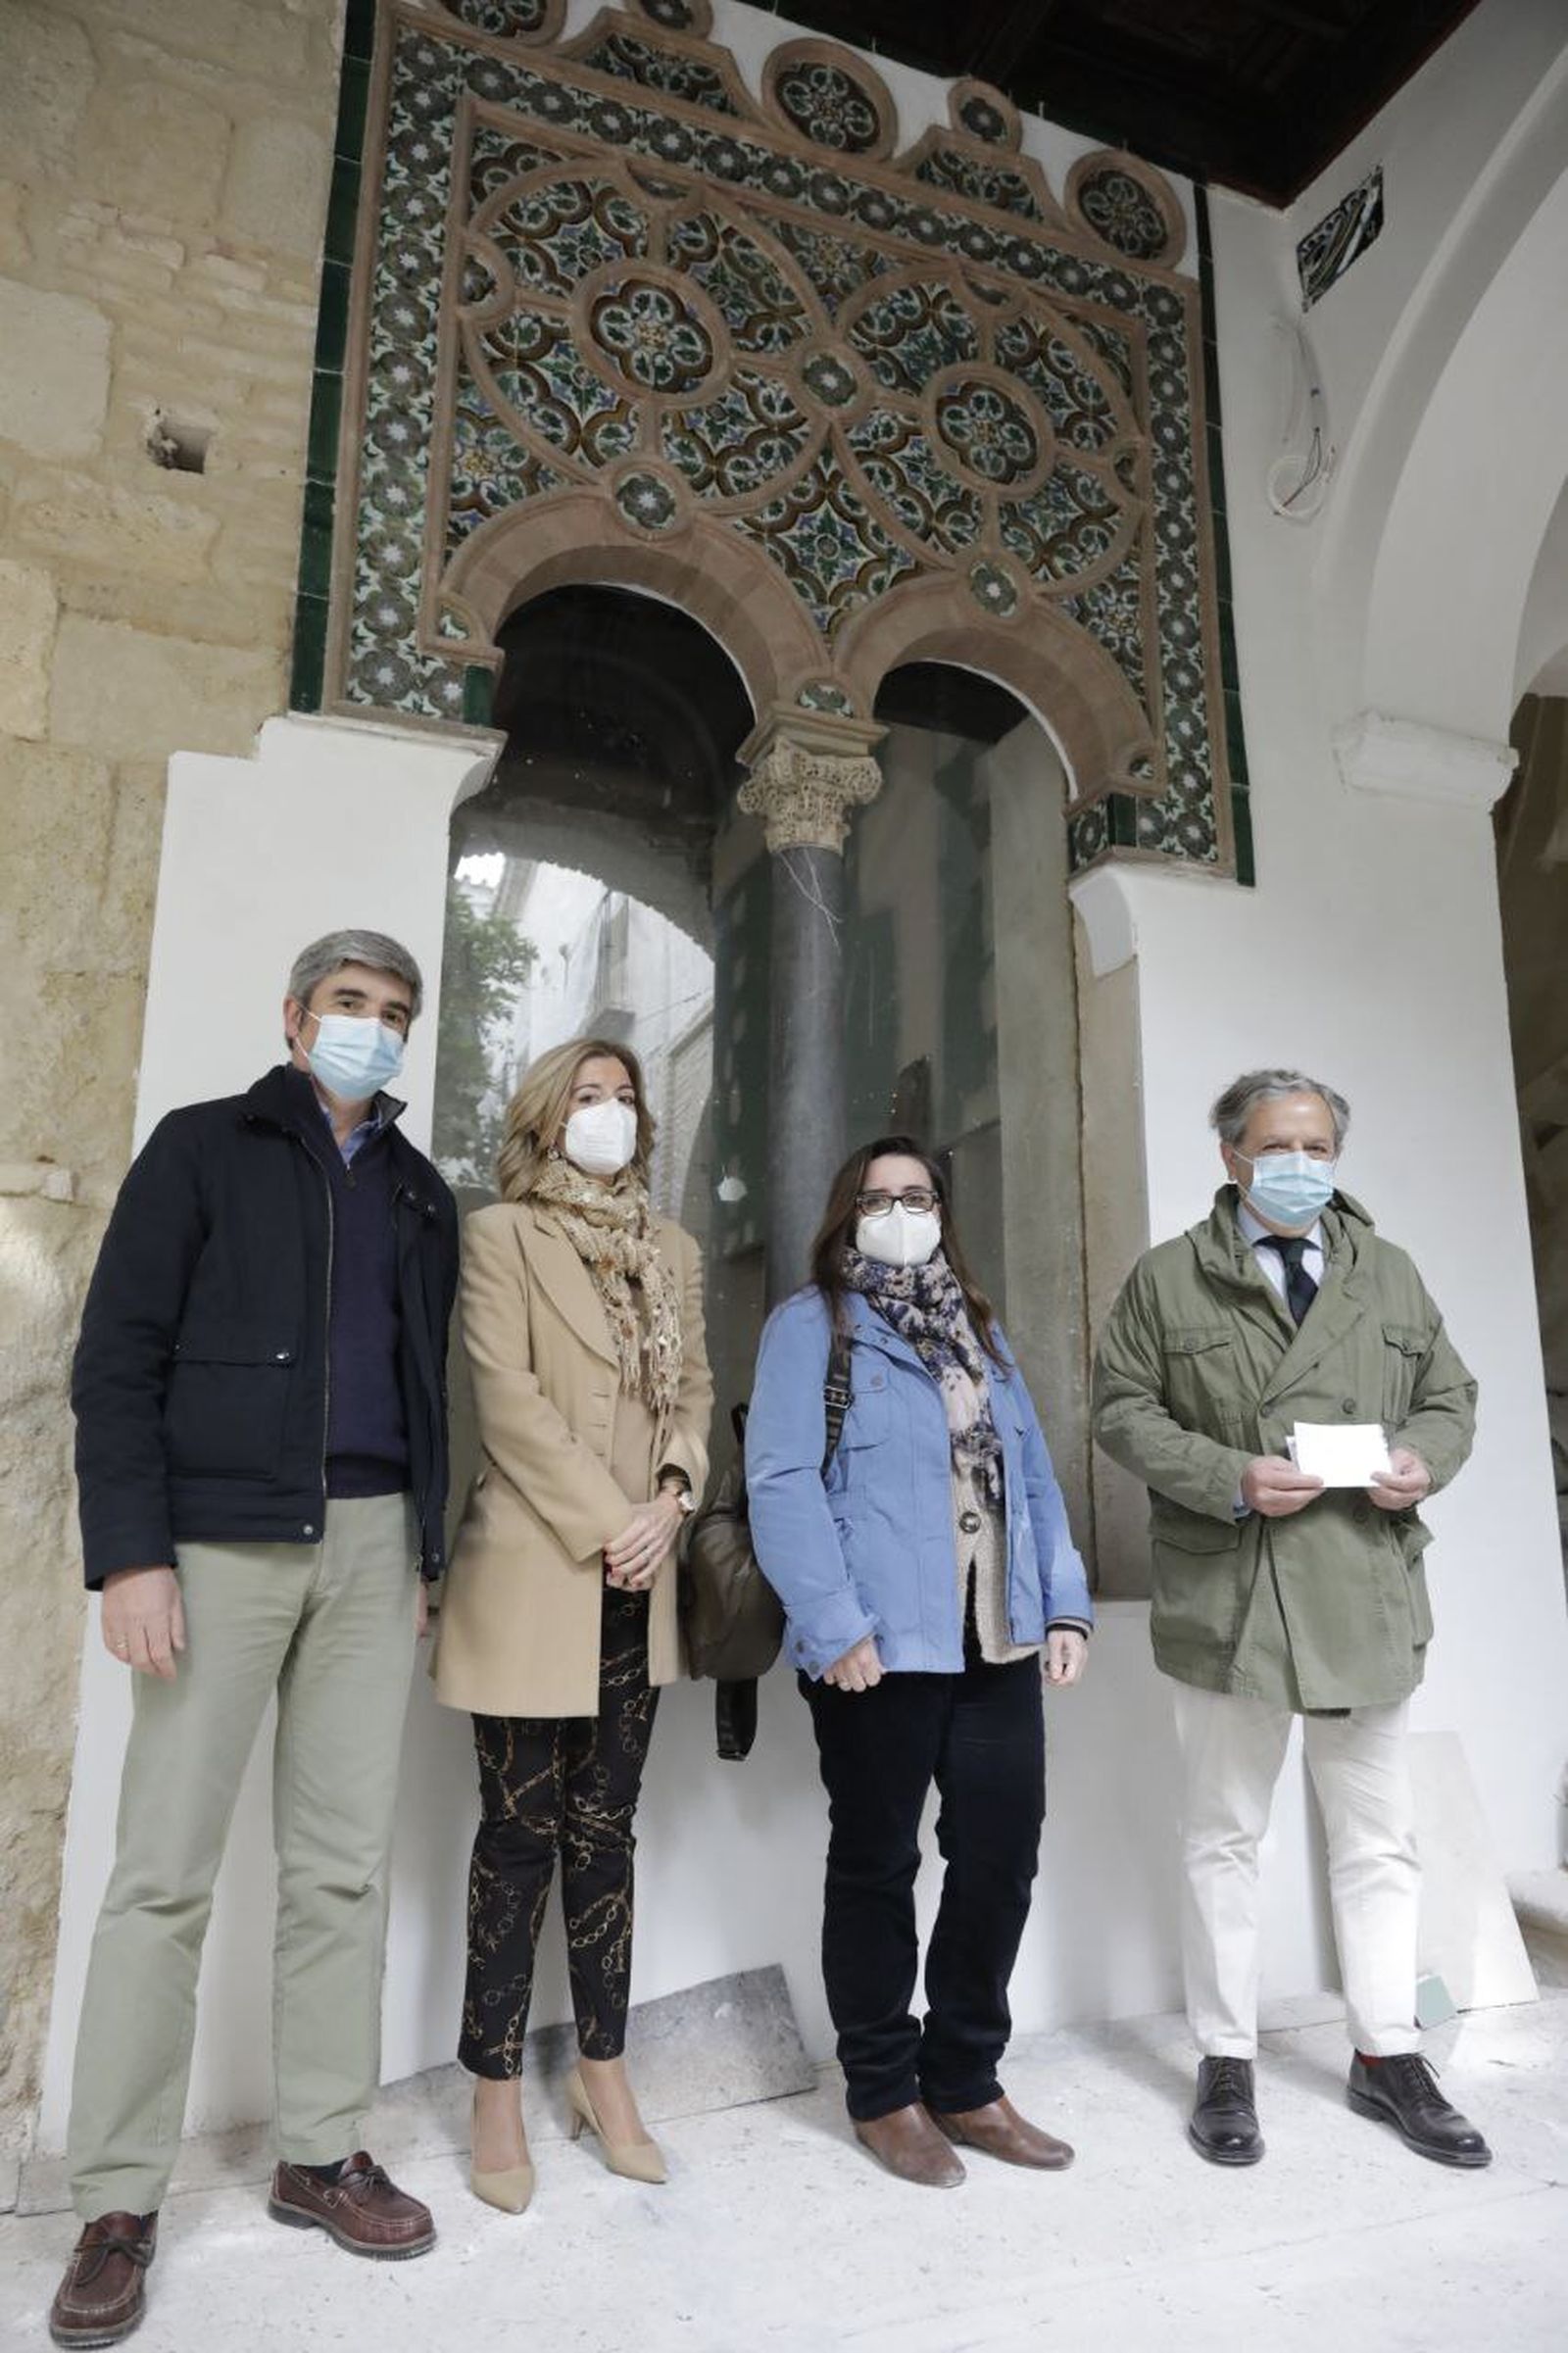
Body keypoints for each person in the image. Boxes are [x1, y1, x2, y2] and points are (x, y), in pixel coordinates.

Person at [50, 931, 460, 2350]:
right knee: (161, 1875)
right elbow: (116, 1357)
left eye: (394, 1013)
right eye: (350, 1005)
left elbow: (431, 1388)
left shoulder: (417, 1192)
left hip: (369, 1551)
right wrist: (131, 1552)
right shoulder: (202, 1148)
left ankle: (318, 2148)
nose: (372, 1028)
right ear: (295, 1017)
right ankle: (113, 2202)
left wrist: (426, 1551)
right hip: (216, 1546)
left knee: (338, 1868)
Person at [1092, 1068, 1491, 2172]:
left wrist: (1423, 1461)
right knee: (1223, 1838)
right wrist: (1225, 1472)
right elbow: (1118, 1409)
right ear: (1230, 1156)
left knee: (1377, 1842)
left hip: (1363, 1587)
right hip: (1234, 1595)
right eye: (1278, 1145)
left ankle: (1386, 2054)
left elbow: (1449, 1397)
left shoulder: (1387, 1272)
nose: (1301, 1165)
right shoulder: (1169, 1279)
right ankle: (1226, 2055)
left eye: (1318, 1146)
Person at [745, 1137, 1092, 2188]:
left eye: (918, 1195)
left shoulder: (979, 1330)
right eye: (879, 1196)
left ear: (943, 1209)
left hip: (995, 1636)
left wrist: (1064, 1602)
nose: (901, 1209)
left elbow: (1029, 1471)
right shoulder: (812, 1324)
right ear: (845, 1211)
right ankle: (884, 2092)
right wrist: (832, 1622)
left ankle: (967, 2077)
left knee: (998, 1857)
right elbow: (780, 1477)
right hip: (878, 1648)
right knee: (878, 1864)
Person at [432, 1037, 711, 2210]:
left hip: (638, 1583)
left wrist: (674, 1497)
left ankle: (604, 2071)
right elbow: (505, 1397)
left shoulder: (674, 1247)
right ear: (548, 1118)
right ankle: (495, 2086)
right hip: (533, 1572)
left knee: (608, 1834)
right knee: (516, 1834)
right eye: (587, 1097)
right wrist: (613, 1519)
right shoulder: (500, 1233)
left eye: (625, 1097)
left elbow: (689, 1387)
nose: (610, 1112)